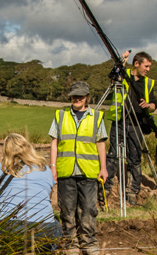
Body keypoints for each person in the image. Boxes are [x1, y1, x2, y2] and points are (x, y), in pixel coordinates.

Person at [0, 133, 61, 252]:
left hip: (12, 229)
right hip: (46, 230)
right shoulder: (45, 170)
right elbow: (47, 198)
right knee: (56, 226)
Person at [49, 81, 107, 254]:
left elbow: (101, 144)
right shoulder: (60, 115)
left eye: (81, 95)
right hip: (66, 170)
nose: (77, 98)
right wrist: (53, 167)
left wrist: (103, 168)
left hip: (89, 171)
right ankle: (70, 242)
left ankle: (88, 242)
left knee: (89, 208)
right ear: (70, 96)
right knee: (67, 209)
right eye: (75, 95)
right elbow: (54, 143)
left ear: (87, 97)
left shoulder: (96, 116)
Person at [103, 51, 157, 206]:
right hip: (119, 121)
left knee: (134, 159)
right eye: (146, 66)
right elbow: (113, 77)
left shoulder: (149, 83)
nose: (148, 69)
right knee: (113, 156)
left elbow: (154, 104)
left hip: (137, 124)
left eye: (149, 66)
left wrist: (149, 106)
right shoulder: (124, 74)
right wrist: (122, 61)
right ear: (137, 63)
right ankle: (107, 189)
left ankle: (132, 191)